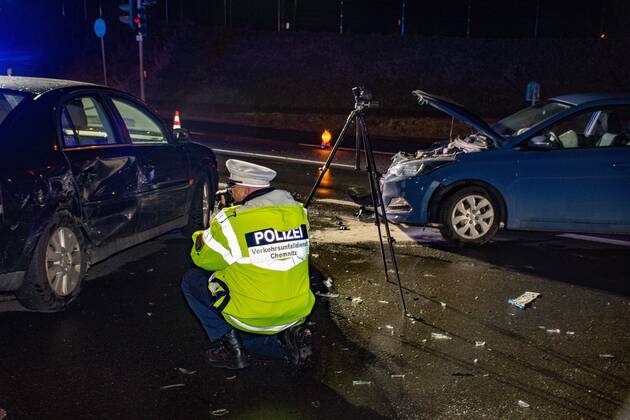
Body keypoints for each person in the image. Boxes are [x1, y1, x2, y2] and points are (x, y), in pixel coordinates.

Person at [181, 159, 315, 370]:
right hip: (298, 311)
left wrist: (216, 220)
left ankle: (232, 351)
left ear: (243, 189)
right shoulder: (298, 214)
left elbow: (202, 258)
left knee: (193, 281)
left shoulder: (232, 221)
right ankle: (287, 342)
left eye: (232, 188)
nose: (230, 193)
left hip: (252, 316)